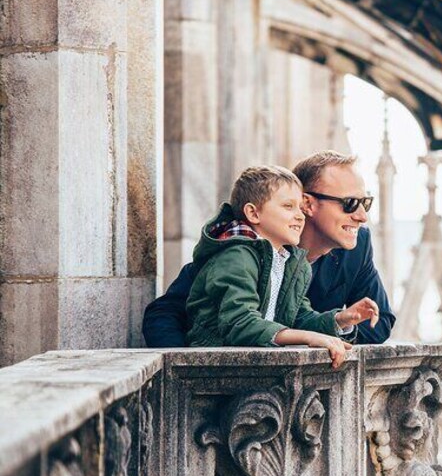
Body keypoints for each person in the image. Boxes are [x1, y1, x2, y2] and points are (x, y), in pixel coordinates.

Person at [143, 151, 395, 348]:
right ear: (308, 204)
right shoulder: (239, 248)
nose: (362, 216)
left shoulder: (356, 246)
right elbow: (164, 313)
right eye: (350, 204)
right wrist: (186, 372)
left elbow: (380, 323)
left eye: (366, 203)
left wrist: (342, 324)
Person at [185, 165, 379, 367]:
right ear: (253, 213)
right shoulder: (236, 255)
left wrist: (340, 320)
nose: (300, 215)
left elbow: (299, 316)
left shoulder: (291, 261)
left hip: (257, 364)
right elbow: (240, 323)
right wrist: (308, 338)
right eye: (288, 206)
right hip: (215, 367)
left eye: (299, 207)